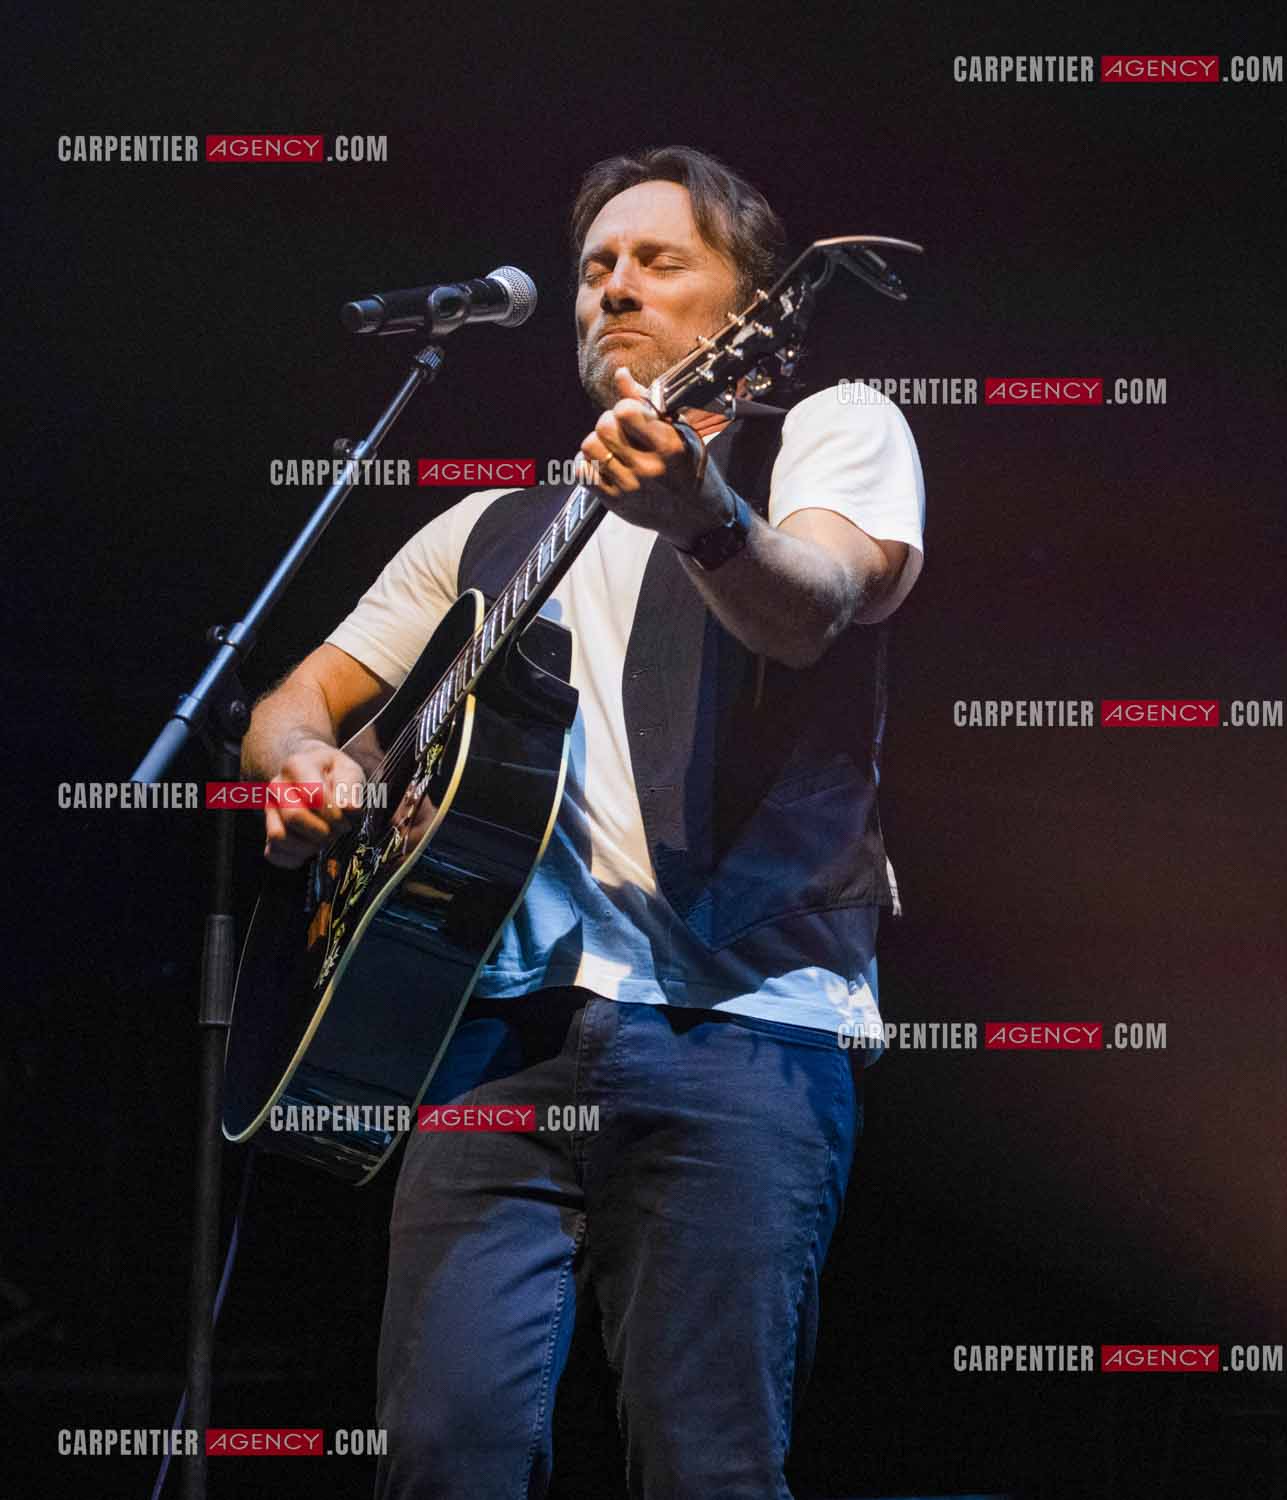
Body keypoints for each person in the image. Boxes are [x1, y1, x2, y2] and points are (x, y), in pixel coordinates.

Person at [241, 145, 925, 1497]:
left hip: (740, 1031)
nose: (614, 285)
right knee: (440, 1461)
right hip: (491, 1045)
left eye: (658, 260)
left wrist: (704, 518)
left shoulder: (827, 430)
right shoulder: (492, 528)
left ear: (748, 308)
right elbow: (288, 703)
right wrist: (306, 765)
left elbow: (814, 603)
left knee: (705, 1464)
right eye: (594, 267)